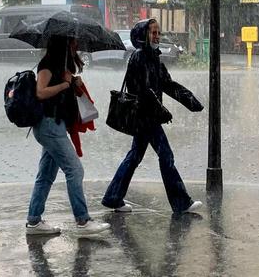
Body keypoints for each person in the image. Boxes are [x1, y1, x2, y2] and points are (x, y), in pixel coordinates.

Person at [102, 19, 204, 214]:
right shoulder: (140, 57)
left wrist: (190, 100)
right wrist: (161, 111)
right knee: (166, 156)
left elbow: (167, 84)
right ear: (143, 35)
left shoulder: (153, 57)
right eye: (153, 32)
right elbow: (144, 91)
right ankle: (181, 202)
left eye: (158, 32)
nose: (157, 36)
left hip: (148, 116)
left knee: (134, 157)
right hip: (145, 117)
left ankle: (113, 197)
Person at [26, 35, 110, 235]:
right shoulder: (47, 64)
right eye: (73, 42)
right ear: (63, 44)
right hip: (49, 126)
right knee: (75, 170)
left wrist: (73, 82)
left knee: (46, 175)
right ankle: (83, 221)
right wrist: (65, 84)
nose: (76, 45)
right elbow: (40, 92)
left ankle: (34, 221)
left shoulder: (62, 66)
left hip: (54, 126)